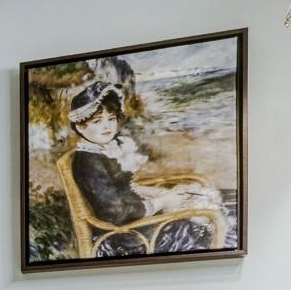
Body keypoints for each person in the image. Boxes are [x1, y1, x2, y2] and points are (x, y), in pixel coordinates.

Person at [65, 80, 226, 256]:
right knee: (200, 226)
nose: (107, 126)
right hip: (129, 237)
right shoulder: (88, 162)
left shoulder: (104, 151)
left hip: (138, 222)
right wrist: (163, 202)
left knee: (200, 202)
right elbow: (117, 211)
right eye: (97, 121)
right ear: (81, 126)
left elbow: (123, 188)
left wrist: (161, 194)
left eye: (111, 119)